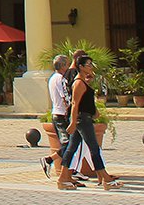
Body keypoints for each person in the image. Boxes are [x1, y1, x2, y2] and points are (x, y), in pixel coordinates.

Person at [57, 55, 122, 191]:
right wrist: (73, 122)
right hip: (82, 119)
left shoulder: (83, 81)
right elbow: (75, 104)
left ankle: (63, 178)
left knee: (72, 148)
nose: (91, 67)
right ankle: (106, 179)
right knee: (94, 148)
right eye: (88, 65)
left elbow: (86, 100)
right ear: (80, 67)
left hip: (84, 118)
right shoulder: (78, 83)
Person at [43, 54, 73, 181]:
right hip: (61, 115)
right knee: (69, 144)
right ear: (63, 66)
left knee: (70, 144)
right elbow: (65, 98)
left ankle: (70, 170)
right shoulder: (61, 79)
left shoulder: (52, 78)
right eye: (67, 64)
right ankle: (53, 162)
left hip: (57, 113)